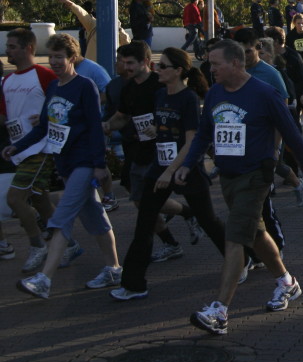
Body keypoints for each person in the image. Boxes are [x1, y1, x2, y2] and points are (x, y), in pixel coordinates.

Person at [175, 39, 303, 335]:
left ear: (235, 63)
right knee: (256, 232)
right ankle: (287, 282)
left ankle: (220, 311)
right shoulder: (214, 93)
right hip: (228, 175)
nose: (210, 70)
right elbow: (203, 133)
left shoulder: (265, 93)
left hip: (256, 175)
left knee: (235, 235)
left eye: (216, 64)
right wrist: (189, 163)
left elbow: (291, 133)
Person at [4, 34, 121, 299]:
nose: (54, 62)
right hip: (65, 162)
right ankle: (114, 268)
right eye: (51, 57)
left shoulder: (84, 86)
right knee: (94, 216)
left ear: (72, 58)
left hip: (83, 162)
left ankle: (44, 279)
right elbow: (45, 127)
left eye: (59, 57)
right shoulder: (55, 88)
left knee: (62, 218)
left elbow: (94, 127)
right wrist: (18, 146)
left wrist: (100, 165)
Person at [110, 48, 229, 300]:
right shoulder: (161, 94)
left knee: (208, 220)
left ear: (177, 71)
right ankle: (133, 284)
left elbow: (191, 141)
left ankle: (242, 258)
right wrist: (156, 129)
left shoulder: (188, 99)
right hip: (160, 166)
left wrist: (172, 171)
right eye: (158, 65)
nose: (158, 70)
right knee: (144, 224)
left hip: (186, 168)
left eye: (163, 66)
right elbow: (164, 124)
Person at [102, 41, 195, 263]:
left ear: (146, 61)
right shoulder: (128, 87)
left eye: (131, 63)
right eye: (123, 62)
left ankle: (166, 243)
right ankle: (185, 217)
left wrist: (158, 126)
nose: (126, 67)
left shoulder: (159, 84)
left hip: (160, 151)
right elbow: (122, 116)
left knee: (147, 204)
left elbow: (178, 114)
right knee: (139, 200)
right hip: (137, 149)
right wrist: (106, 125)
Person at [1, 28, 58, 272]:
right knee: (41, 200)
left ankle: (38, 245)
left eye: (13, 46)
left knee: (15, 199)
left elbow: (61, 107)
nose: (7, 51)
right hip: (19, 149)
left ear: (29, 48)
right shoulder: (7, 80)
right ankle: (68, 243)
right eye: (7, 46)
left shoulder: (45, 76)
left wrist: (48, 118)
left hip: (41, 148)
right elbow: (4, 117)